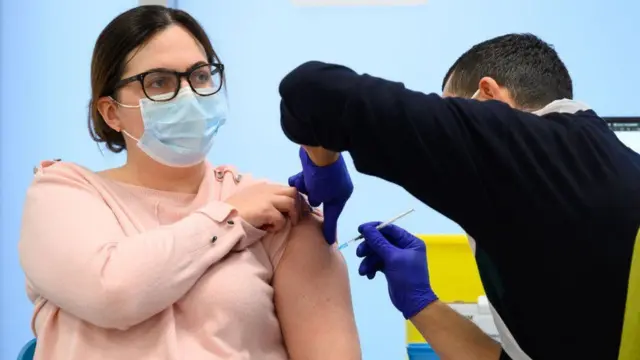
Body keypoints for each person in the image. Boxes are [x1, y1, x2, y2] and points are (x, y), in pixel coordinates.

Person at [18, 6, 361, 360]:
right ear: (111, 112)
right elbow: (111, 292)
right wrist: (229, 219)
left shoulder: (274, 209)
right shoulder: (64, 194)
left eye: (199, 76)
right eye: (159, 83)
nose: (188, 96)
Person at [280, 33, 640, 360]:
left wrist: (324, 168)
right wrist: (420, 301)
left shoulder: (514, 147)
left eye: (454, 109)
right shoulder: (608, 159)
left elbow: (308, 91)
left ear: (487, 95)